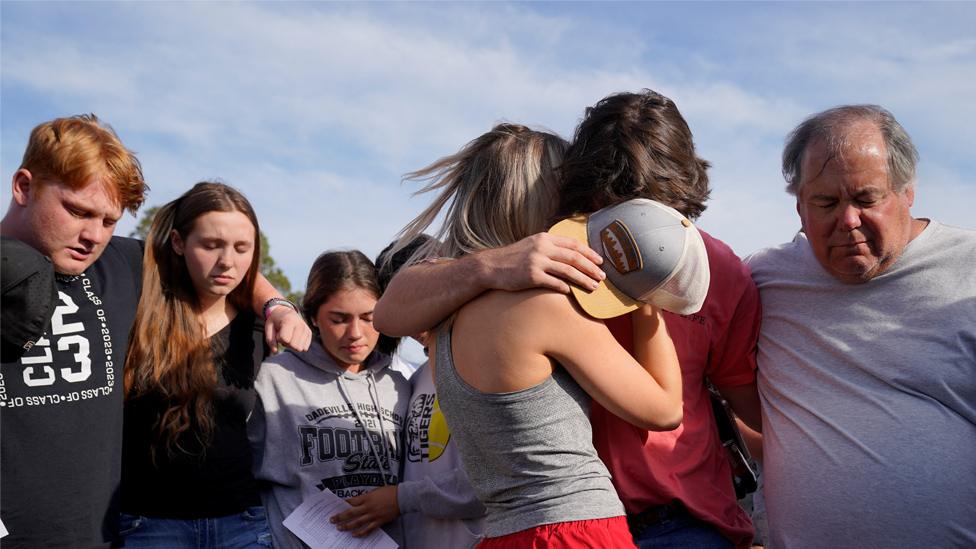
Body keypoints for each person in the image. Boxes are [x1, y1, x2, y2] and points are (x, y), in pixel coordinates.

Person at [374, 92, 763, 549]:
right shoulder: (542, 265)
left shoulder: (720, 272)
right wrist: (492, 265)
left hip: (674, 516)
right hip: (578, 522)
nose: (621, 229)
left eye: (648, 212)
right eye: (605, 207)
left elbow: (751, 408)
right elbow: (390, 311)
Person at [0, 114, 310, 548]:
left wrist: (275, 304)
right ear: (23, 187)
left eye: (109, 220)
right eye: (77, 211)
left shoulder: (122, 263)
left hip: (102, 534)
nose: (92, 235)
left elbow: (227, 261)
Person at [746, 105, 976, 548]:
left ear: (907, 193)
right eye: (826, 203)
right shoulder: (760, 280)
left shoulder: (969, 268)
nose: (847, 221)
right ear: (799, 207)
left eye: (867, 199)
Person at [120, 182, 271, 547]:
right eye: (211, 245)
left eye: (241, 248)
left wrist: (278, 306)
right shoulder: (137, 311)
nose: (227, 261)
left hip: (244, 523)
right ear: (177, 242)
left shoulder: (260, 331)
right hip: (150, 525)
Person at [248, 250, 411, 548]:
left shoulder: (398, 385)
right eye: (339, 319)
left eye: (368, 318)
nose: (355, 333)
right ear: (312, 316)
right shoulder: (275, 378)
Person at [332, 235, 487, 548]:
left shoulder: (486, 366)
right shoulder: (414, 379)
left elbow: (493, 479)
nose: (416, 314)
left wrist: (401, 498)